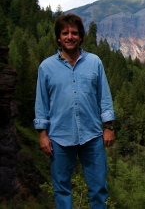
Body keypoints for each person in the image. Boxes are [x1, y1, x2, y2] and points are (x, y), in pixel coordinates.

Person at [34, 13, 115, 208]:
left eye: (74, 33)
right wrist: (42, 134)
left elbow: (104, 96)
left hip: (92, 136)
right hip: (59, 137)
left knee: (98, 188)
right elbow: (41, 103)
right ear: (58, 38)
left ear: (81, 37)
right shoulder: (46, 67)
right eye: (65, 33)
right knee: (61, 188)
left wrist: (109, 127)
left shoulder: (94, 62)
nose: (70, 37)